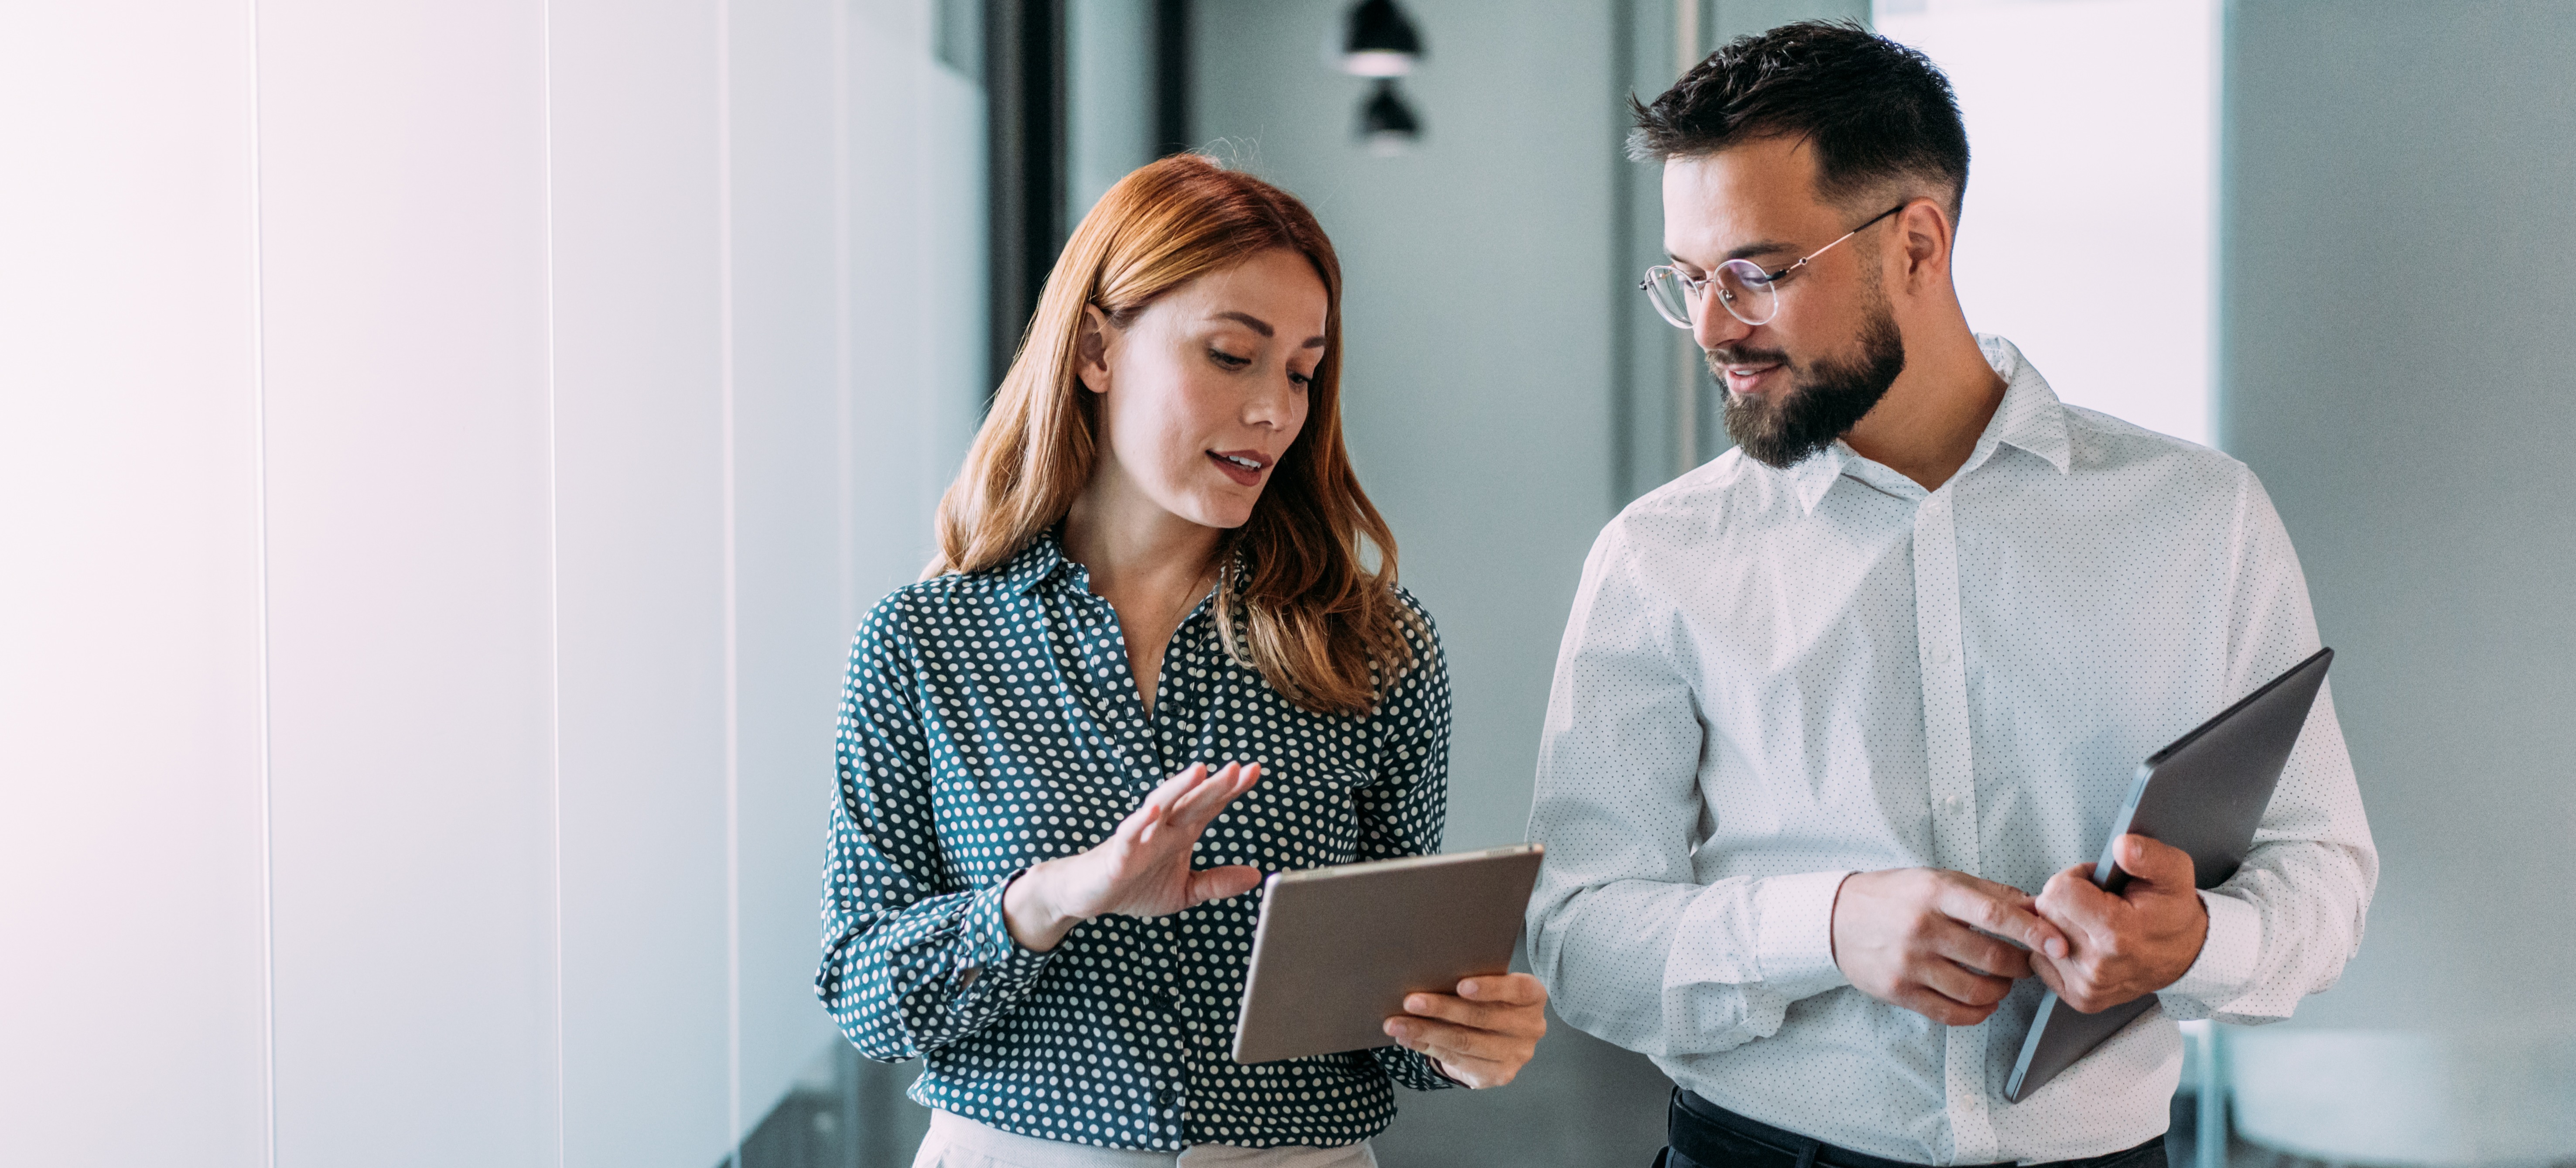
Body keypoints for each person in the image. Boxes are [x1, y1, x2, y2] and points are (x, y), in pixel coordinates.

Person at [1525, 22, 2376, 1168]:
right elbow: (1575, 934)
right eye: (1689, 282)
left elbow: (2321, 868)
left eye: (1755, 274)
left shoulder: (2200, 517)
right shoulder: (1659, 554)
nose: (1717, 327)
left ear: (1918, 244)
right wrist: (1825, 924)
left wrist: (2195, 939)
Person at [817, 154, 1548, 1168]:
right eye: (1230, 355)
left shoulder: (1374, 644)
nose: (1276, 412)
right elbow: (865, 995)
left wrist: (1468, 1033)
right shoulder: (924, 642)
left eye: (1301, 370)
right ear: (1094, 351)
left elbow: (1392, 1020)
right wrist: (1049, 899)